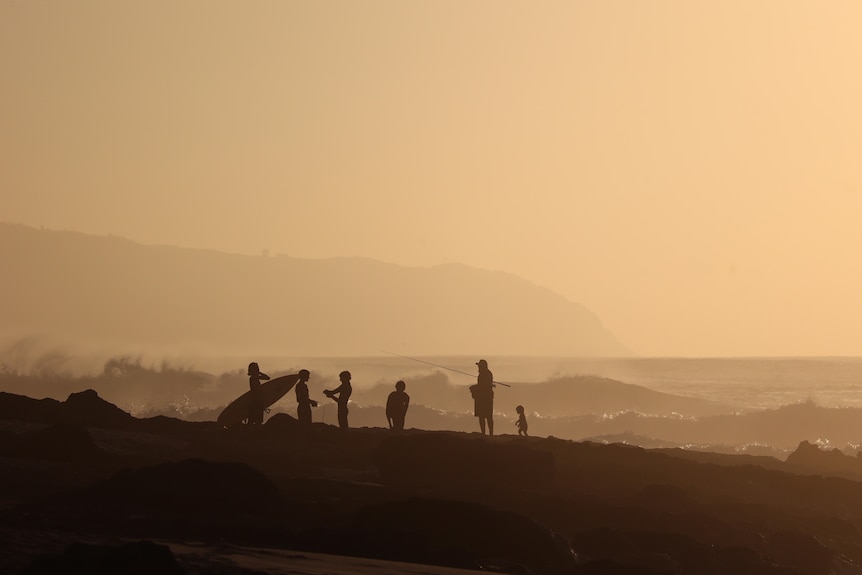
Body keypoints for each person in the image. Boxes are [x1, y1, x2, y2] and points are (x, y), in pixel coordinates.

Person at [470, 359, 495, 435]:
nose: (478, 367)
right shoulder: (487, 373)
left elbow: (482, 386)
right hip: (486, 397)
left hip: (484, 397)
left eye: (479, 366)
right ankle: (488, 433)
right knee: (486, 416)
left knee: (484, 416)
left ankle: (486, 433)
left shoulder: (484, 374)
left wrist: (473, 388)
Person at [247, 362, 270, 427]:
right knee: (256, 420)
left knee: (253, 419)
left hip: (255, 401)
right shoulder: (254, 378)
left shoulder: (254, 377)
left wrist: (259, 373)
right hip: (256, 401)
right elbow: (267, 378)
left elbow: (268, 378)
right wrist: (259, 373)